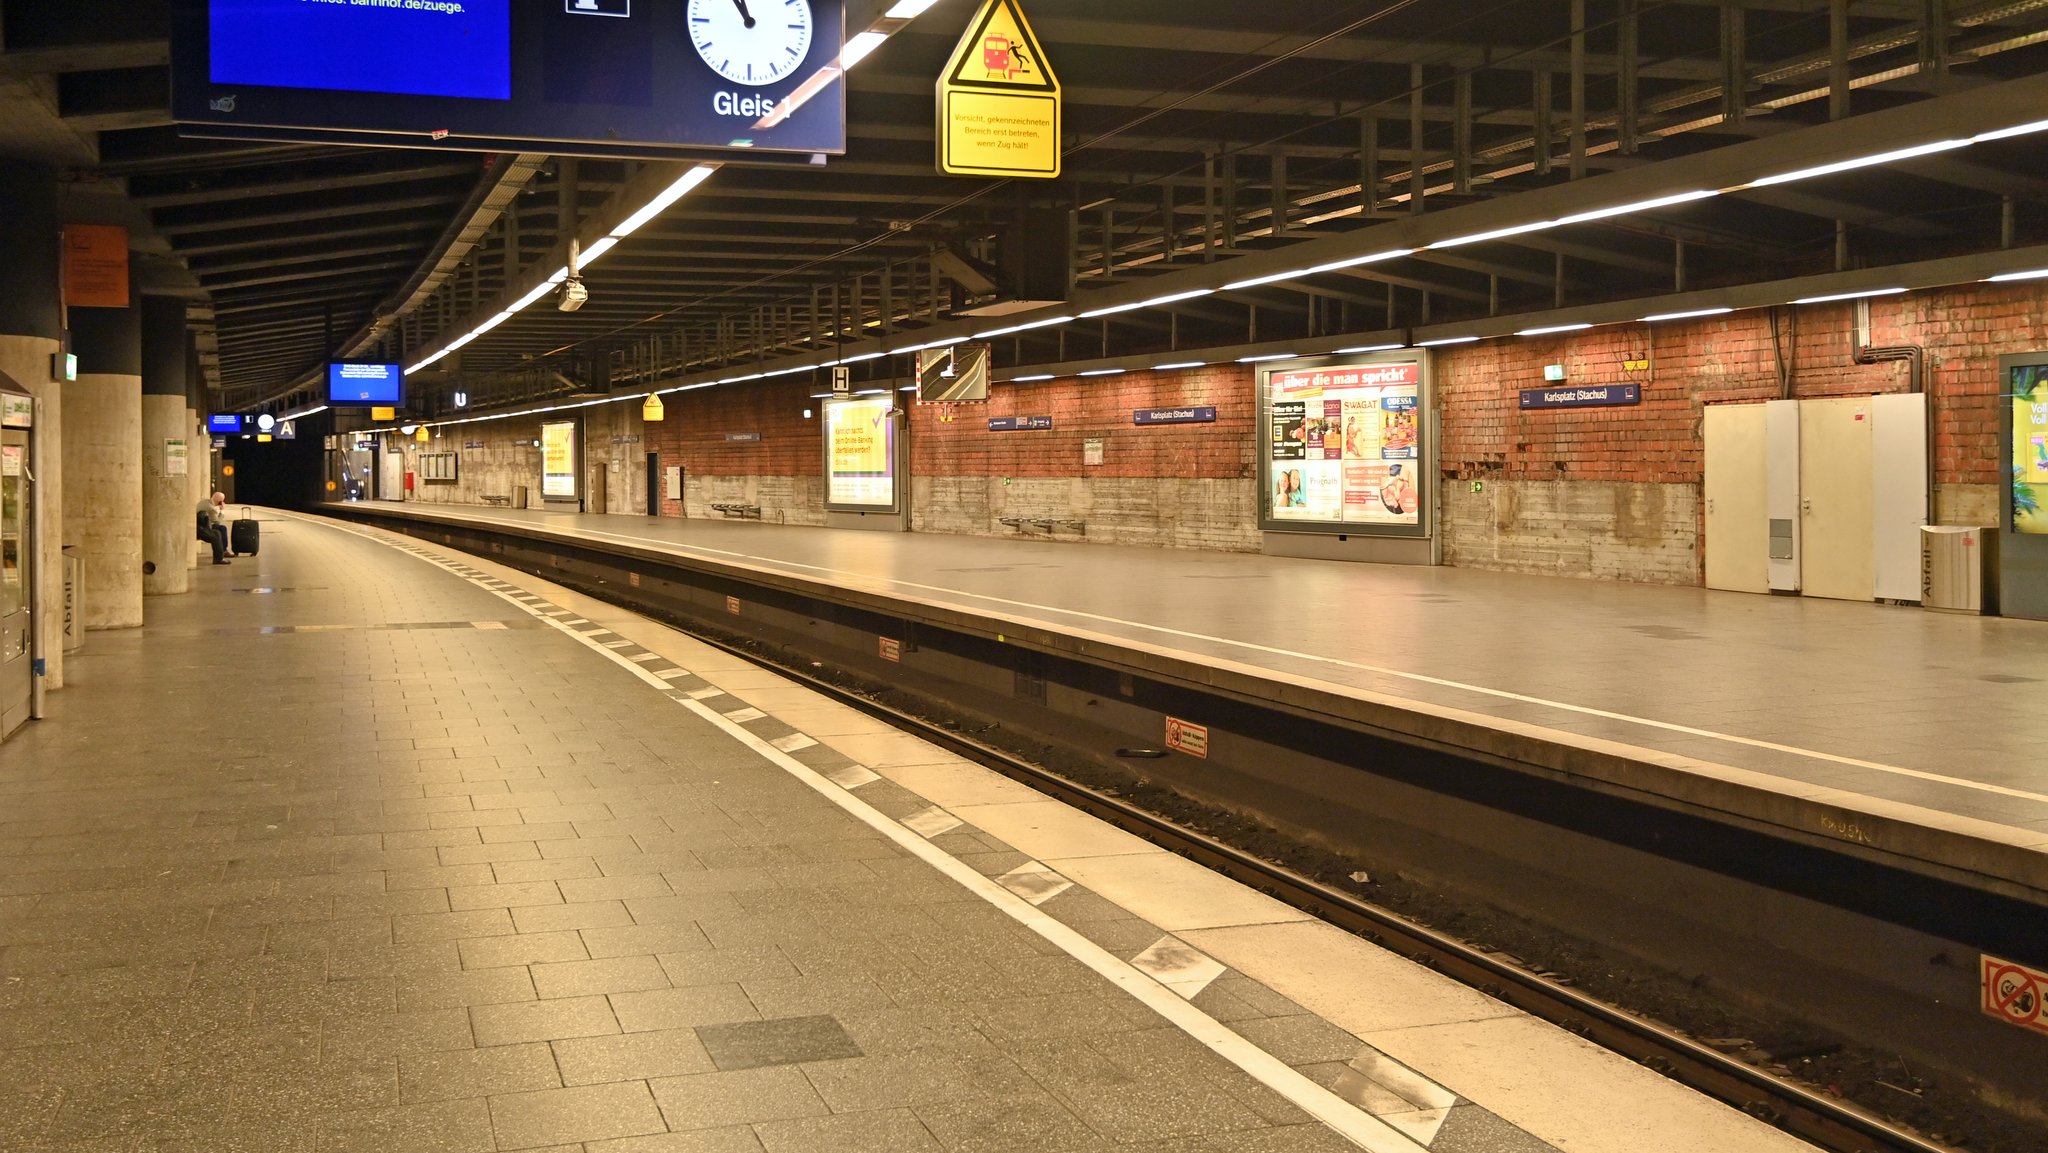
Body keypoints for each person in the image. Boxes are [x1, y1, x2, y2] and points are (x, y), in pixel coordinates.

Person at [195, 492, 230, 564]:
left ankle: (223, 551)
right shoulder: (211, 508)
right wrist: (222, 511)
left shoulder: (204, 502)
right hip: (201, 528)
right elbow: (217, 522)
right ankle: (221, 556)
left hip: (199, 525)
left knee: (221, 529)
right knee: (218, 532)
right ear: (220, 502)